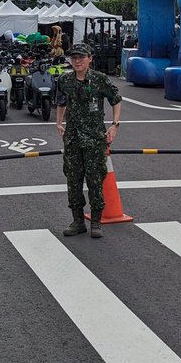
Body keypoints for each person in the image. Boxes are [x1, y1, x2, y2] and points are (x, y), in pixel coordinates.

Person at [54, 43, 122, 239]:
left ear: (90, 59)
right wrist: (58, 123)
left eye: (81, 57)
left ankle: (96, 222)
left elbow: (115, 99)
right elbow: (60, 101)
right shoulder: (65, 79)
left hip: (94, 139)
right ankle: (77, 221)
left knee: (94, 180)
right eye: (74, 57)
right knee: (73, 181)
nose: (77, 61)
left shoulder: (100, 80)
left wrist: (114, 125)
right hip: (73, 138)